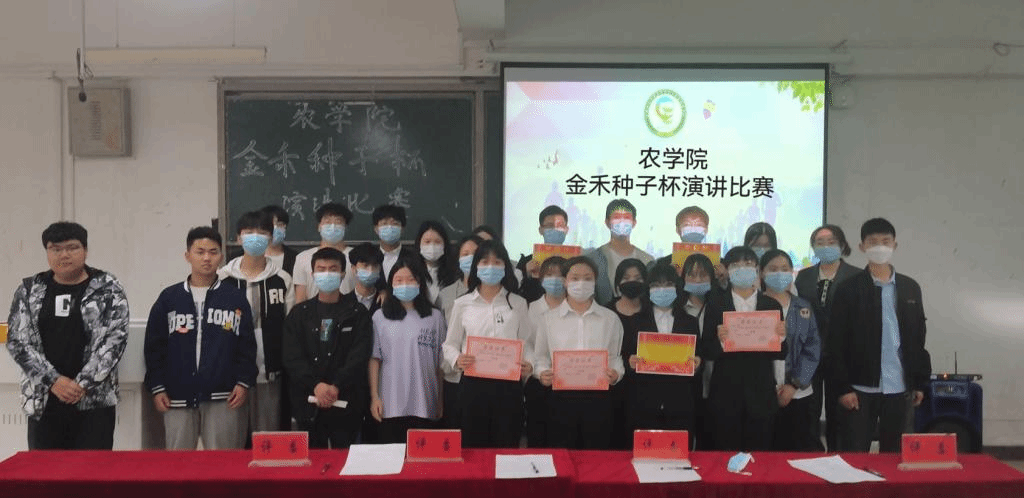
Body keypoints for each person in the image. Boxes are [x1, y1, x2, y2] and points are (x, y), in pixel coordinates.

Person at [7, 221, 129, 450]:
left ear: (85, 250)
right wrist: (54, 380)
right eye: (55, 249)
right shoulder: (30, 289)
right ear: (47, 252)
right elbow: (17, 341)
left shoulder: (108, 288)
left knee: (92, 469)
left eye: (72, 248)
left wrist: (81, 384)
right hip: (44, 399)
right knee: (44, 470)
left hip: (93, 401)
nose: (64, 255)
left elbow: (115, 339)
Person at [144, 227, 257, 450]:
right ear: (187, 255)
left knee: (222, 462)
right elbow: (154, 347)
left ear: (221, 256)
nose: (207, 258)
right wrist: (157, 386)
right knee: (179, 462)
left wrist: (243, 382)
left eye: (213, 252)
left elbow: (246, 346)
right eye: (200, 252)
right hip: (177, 396)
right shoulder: (169, 298)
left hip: (224, 395)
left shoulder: (234, 298)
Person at [828, 218, 931, 453]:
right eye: (873, 242)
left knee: (895, 455)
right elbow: (835, 342)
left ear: (895, 245)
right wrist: (842, 388)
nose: (880, 247)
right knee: (854, 453)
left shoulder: (910, 288)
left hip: (899, 387)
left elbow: (918, 339)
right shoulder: (848, 289)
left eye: (885, 241)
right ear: (862, 247)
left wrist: (919, 382)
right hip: (859, 388)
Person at [442, 240, 532, 448]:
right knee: (473, 447)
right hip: (473, 386)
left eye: (497, 262)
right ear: (476, 266)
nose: (491, 267)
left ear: (505, 267)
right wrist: (457, 359)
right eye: (484, 262)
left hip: (508, 387)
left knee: (506, 445)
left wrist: (529, 363)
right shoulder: (462, 303)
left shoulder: (517, 303)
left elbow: (527, 342)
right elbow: (450, 344)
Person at [281, 248, 372, 448]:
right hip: (308, 402)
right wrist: (316, 385)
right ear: (313, 274)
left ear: (343, 274)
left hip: (347, 401)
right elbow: (292, 357)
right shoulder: (299, 314)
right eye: (321, 269)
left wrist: (336, 386)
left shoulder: (357, 313)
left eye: (333, 269)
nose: (327, 274)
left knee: (345, 459)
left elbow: (359, 355)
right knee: (312, 460)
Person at [533, 256, 625, 449]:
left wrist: (616, 374)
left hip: (598, 399)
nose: (581, 283)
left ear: (595, 281)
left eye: (587, 278)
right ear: (565, 281)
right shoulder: (548, 319)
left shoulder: (610, 319)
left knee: (595, 454)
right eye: (575, 278)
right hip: (560, 398)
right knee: (562, 453)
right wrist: (541, 373)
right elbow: (540, 357)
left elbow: (615, 357)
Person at [700, 246, 786, 451]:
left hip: (761, 391)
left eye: (748, 264)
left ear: (756, 269)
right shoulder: (716, 304)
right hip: (725, 392)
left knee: (760, 453)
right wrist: (721, 341)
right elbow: (706, 350)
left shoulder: (771, 305)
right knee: (725, 453)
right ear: (727, 270)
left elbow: (782, 353)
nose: (742, 268)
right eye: (736, 265)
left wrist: (781, 338)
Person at [218, 211, 295, 435]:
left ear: (271, 238)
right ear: (238, 238)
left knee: (267, 436)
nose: (255, 237)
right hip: (229, 374)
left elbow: (290, 326)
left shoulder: (282, 279)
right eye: (249, 232)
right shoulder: (222, 279)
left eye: (261, 232)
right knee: (232, 437)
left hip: (270, 371)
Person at [795, 224, 859, 451]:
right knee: (809, 409)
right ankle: (811, 454)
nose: (825, 247)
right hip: (810, 353)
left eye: (831, 242)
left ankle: (837, 455)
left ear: (842, 245)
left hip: (842, 354)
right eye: (819, 243)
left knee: (839, 411)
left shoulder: (856, 276)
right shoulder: (803, 277)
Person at [369, 256, 446, 443]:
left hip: (425, 402)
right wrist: (374, 397)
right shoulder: (379, 317)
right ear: (391, 284)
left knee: (423, 457)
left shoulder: (435, 317)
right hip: (390, 404)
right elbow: (374, 360)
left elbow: (440, 364)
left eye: (411, 280)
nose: (405, 284)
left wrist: (440, 399)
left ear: (420, 283)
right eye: (399, 280)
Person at [627, 263, 702, 441]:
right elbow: (625, 356)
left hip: (679, 402)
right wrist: (630, 362)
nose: (662, 289)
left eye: (668, 284)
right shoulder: (635, 321)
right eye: (656, 285)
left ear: (677, 287)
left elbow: (699, 356)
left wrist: (698, 363)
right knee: (646, 452)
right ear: (648, 289)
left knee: (678, 452)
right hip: (645, 402)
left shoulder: (690, 321)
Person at [761, 249, 822, 451]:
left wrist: (793, 385)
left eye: (784, 268)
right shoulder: (754, 307)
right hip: (763, 393)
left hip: (798, 394)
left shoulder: (803, 307)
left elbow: (812, 349)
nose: (779, 273)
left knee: (797, 450)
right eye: (773, 269)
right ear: (761, 273)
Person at [434, 234, 483, 429]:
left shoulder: (495, 295)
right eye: (465, 253)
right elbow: (441, 335)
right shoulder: (445, 294)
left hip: (484, 376)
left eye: (475, 253)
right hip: (452, 376)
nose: (470, 257)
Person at [523, 256, 567, 447]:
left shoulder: (575, 307)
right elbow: (527, 343)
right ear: (540, 279)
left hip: (568, 380)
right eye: (549, 275)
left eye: (560, 275)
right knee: (538, 436)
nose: (555, 280)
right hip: (538, 381)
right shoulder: (531, 308)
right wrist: (537, 370)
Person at [606, 258, 650, 449]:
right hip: (614, 388)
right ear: (617, 282)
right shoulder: (606, 312)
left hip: (646, 391)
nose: (632, 282)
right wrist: (625, 362)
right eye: (626, 278)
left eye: (638, 278)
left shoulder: (652, 311)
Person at [679, 254, 717, 449]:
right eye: (692, 275)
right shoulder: (677, 308)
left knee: (710, 438)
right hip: (685, 384)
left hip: (715, 380)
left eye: (703, 275)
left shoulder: (719, 306)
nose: (697, 280)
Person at [587, 199, 655, 306]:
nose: (622, 222)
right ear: (607, 222)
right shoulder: (594, 259)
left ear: (634, 223)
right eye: (616, 217)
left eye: (627, 218)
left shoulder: (647, 260)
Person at [293, 203, 354, 303]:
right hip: (313, 312)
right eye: (327, 222)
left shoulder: (357, 257)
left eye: (338, 222)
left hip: (348, 311)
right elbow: (300, 299)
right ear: (319, 226)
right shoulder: (302, 258)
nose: (333, 226)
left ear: (345, 228)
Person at [517, 205, 571, 303]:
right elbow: (513, 293)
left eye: (560, 226)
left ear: (566, 230)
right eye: (550, 226)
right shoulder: (526, 262)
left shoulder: (576, 262)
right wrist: (526, 274)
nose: (555, 229)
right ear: (541, 230)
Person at [415, 221, 457, 304]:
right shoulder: (411, 270)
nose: (432, 246)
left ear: (444, 245)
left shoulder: (455, 272)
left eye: (437, 242)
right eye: (427, 242)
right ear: (419, 244)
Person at [373, 204, 417, 280]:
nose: (389, 227)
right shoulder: (370, 257)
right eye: (384, 223)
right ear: (376, 229)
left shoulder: (414, 258)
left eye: (395, 224)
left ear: (402, 229)